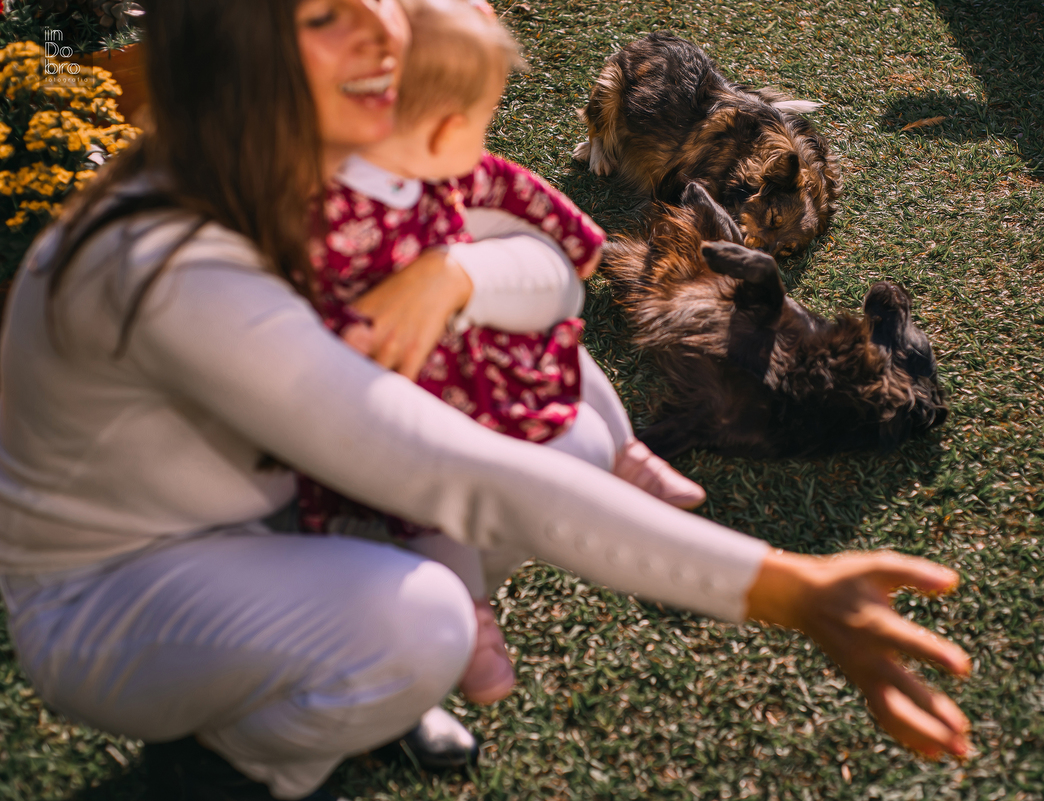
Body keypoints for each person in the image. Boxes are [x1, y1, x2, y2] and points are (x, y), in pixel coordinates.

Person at [0, 2, 972, 801]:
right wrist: (787, 588)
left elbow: (548, 269)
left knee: (577, 439)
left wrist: (452, 276)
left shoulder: (333, 170)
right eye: (325, 14)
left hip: (281, 503)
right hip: (118, 590)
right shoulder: (174, 265)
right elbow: (453, 470)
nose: (387, 27)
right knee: (421, 620)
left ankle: (357, 684)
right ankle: (258, 760)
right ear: (230, 57)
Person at [299, 0, 705, 708]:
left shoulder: (449, 164)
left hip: (466, 343)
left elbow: (522, 196)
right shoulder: (337, 200)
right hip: (404, 378)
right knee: (435, 499)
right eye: (473, 121)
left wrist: (579, 241)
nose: (481, 140)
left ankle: (626, 454)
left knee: (564, 351)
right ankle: (473, 626)